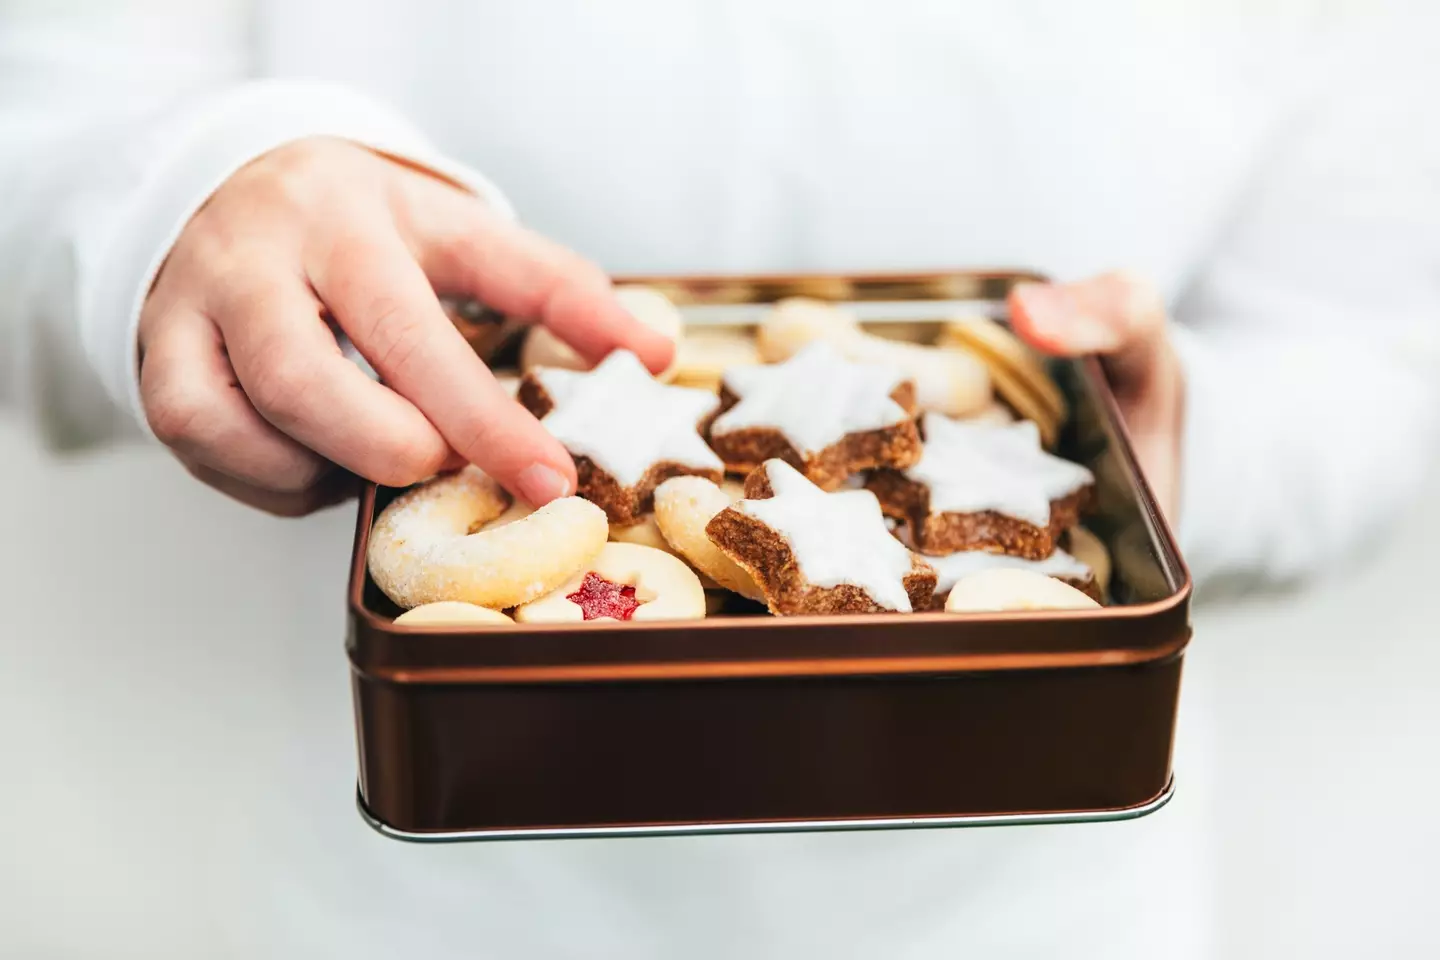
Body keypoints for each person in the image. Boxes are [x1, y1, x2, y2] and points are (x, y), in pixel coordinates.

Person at [2, 1, 1437, 957]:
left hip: (1022, 880)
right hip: (440, 879)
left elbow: (1377, 365)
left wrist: (1154, 453)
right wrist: (188, 203)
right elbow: (40, 161)